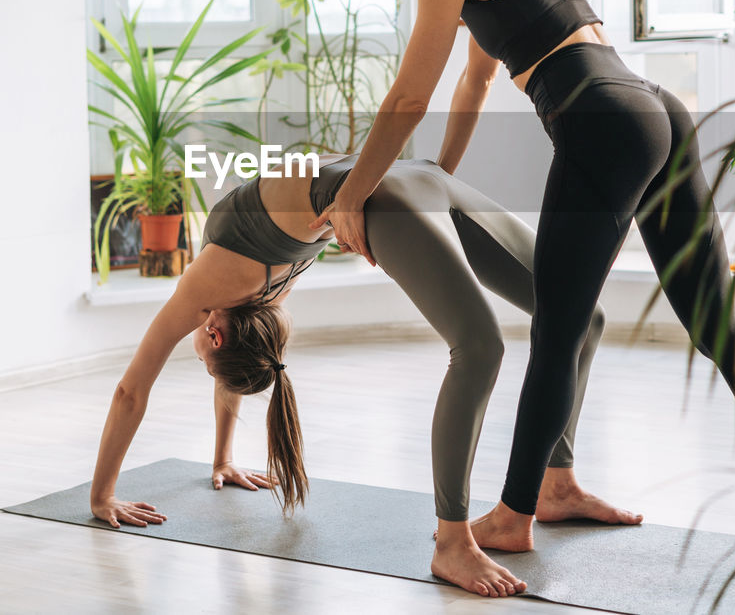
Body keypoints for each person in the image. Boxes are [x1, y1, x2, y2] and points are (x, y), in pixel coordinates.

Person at [308, 0, 735, 556]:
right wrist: (439, 179)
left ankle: (515, 514)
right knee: (718, 325)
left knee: (556, 329)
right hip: (653, 112)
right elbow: (475, 79)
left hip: (602, 126)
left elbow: (410, 93)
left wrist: (354, 191)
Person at [89, 153, 638, 599]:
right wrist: (222, 459)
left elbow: (131, 389)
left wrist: (102, 497)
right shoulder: (256, 298)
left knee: (482, 346)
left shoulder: (217, 287)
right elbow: (230, 364)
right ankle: (555, 485)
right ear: (217, 334)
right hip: (414, 173)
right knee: (581, 319)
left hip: (386, 191)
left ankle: (454, 541)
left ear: (214, 333)